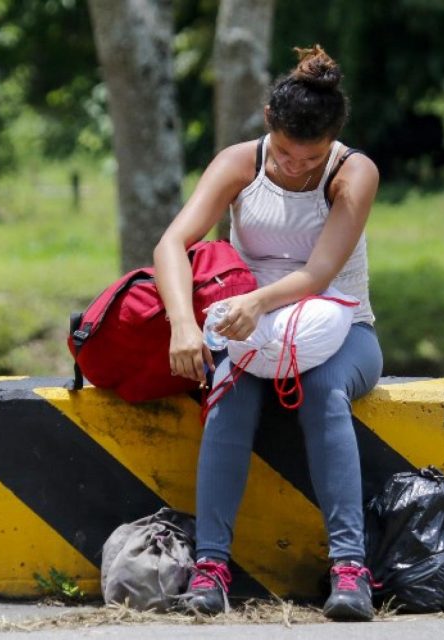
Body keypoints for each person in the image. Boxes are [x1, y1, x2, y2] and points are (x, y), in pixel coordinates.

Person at [152, 45, 383, 621]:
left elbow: (319, 274)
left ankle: (350, 570)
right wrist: (184, 325)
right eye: (285, 152)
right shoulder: (239, 163)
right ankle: (211, 569)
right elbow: (170, 245)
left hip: (341, 323)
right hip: (252, 328)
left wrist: (255, 301)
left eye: (312, 157)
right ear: (267, 122)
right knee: (228, 394)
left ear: (333, 142)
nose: (296, 166)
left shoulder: (354, 173)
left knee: (323, 393)